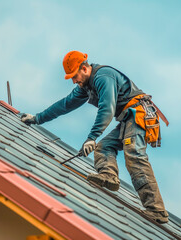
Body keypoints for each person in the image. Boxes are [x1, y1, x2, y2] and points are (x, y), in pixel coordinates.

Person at [21, 50, 169, 223]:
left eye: (75, 76)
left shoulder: (103, 77)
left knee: (134, 154)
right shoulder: (86, 86)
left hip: (139, 115)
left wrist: (92, 137)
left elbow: (107, 108)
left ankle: (156, 211)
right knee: (104, 147)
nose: (74, 81)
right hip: (130, 118)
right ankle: (109, 176)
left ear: (84, 68)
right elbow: (65, 104)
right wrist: (37, 118)